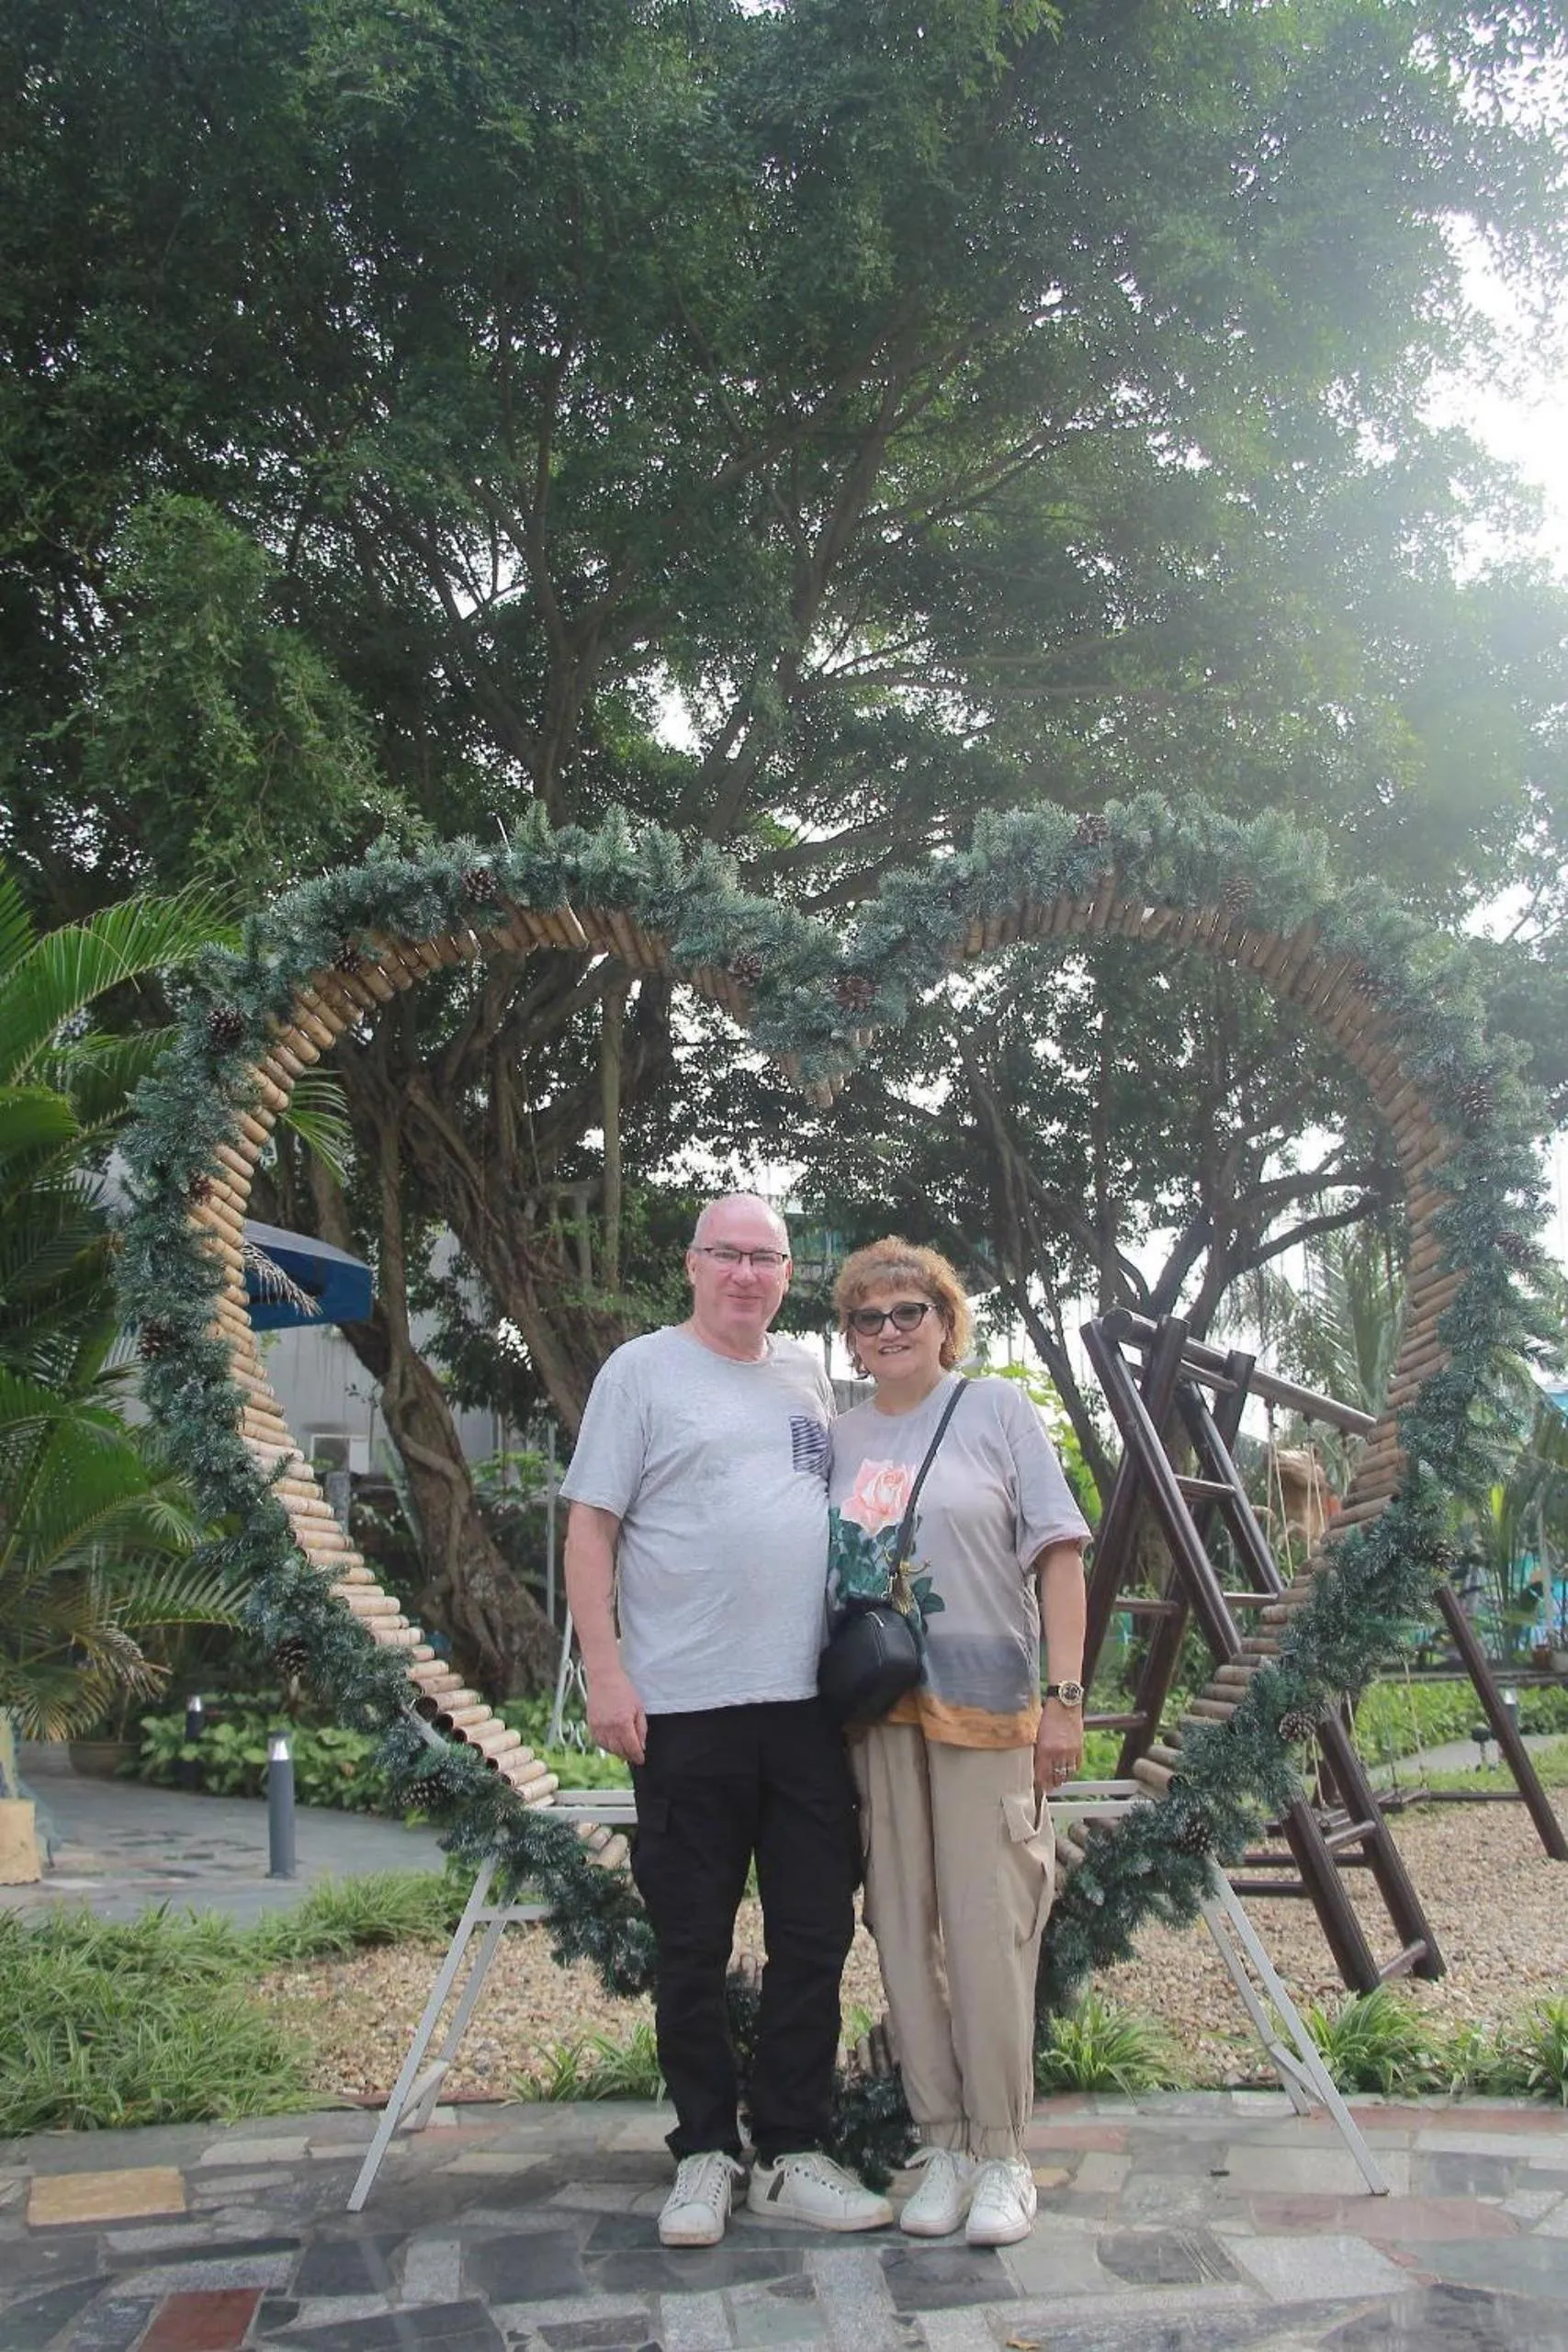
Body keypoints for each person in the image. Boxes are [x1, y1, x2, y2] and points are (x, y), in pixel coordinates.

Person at [561, 1193, 893, 2249]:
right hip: (682, 1713)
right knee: (691, 1942)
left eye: (766, 1256)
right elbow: (590, 1526)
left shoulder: (804, 1373)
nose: (747, 1273)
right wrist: (604, 1671)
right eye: (728, 1255)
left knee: (815, 1933)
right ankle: (704, 2150)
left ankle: (792, 2148)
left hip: (802, 1710)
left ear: (788, 1272)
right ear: (693, 1265)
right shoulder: (641, 1372)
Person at [828, 1238, 1091, 2248]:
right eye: (869, 1317)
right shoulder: (836, 1437)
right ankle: (937, 2138)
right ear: (850, 1338)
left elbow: (1059, 1555)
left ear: (946, 1318)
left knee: (988, 1932)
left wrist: (1063, 1700)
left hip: (986, 1708)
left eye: (909, 1311)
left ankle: (1001, 2150)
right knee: (899, 1926)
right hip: (878, 1718)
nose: (890, 1330)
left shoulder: (998, 1412)